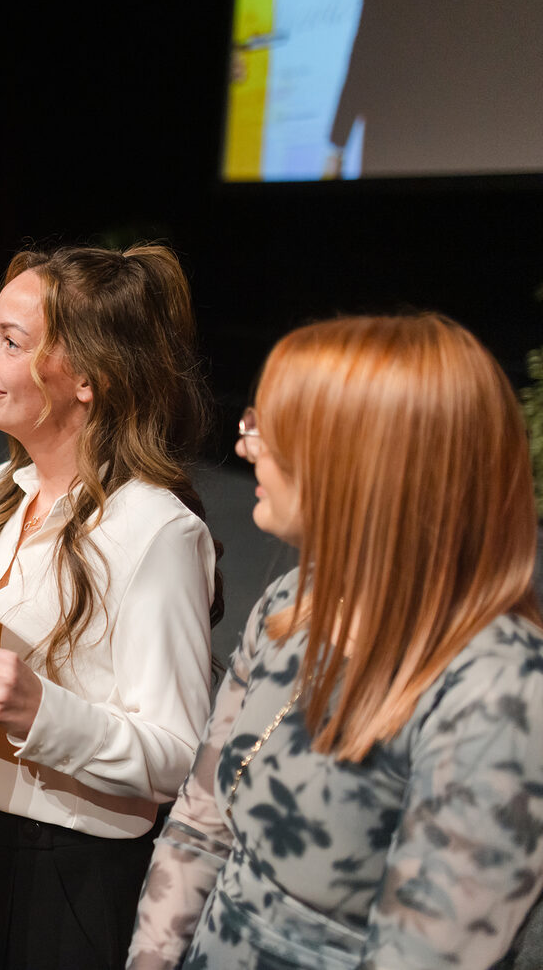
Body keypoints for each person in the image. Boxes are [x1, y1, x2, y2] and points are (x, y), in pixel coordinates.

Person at [128, 314, 543, 969]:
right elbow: (200, 826)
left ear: (365, 464)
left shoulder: (500, 690)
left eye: (273, 428)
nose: (245, 444)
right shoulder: (298, 600)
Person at [0, 244, 221, 970]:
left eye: (10, 341)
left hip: (62, 872)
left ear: (89, 378)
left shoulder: (157, 531)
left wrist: (42, 711)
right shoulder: (3, 487)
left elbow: (180, 758)